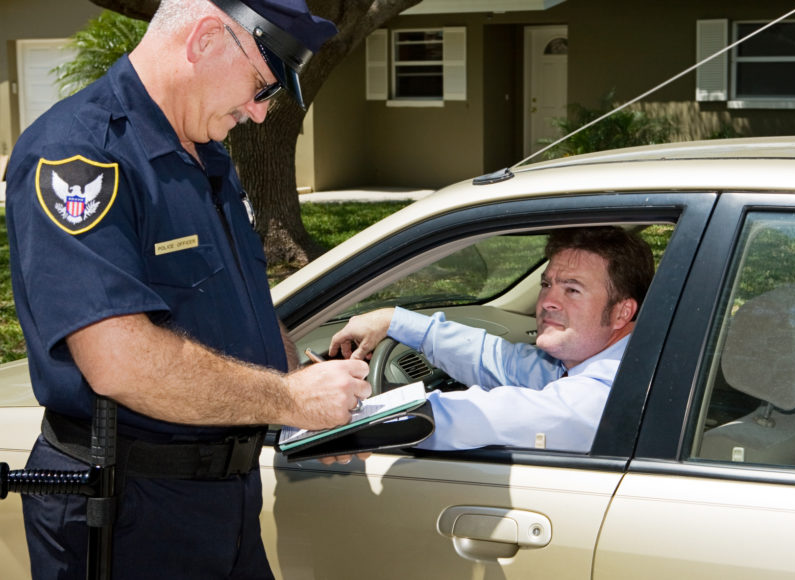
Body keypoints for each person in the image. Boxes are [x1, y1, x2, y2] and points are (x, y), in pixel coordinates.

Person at [5, 0, 371, 577]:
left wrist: (303, 393)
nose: (257, 113)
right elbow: (118, 361)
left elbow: (237, 302)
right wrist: (289, 399)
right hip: (128, 510)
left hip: (223, 502)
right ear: (205, 38)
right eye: (261, 86)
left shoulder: (206, 158)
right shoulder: (82, 154)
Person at [329, 226, 655, 453]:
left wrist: (347, 410)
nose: (547, 302)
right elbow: (499, 361)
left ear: (621, 313)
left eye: (572, 289)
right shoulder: (607, 358)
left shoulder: (601, 395)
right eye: (546, 285)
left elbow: (479, 417)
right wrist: (394, 321)